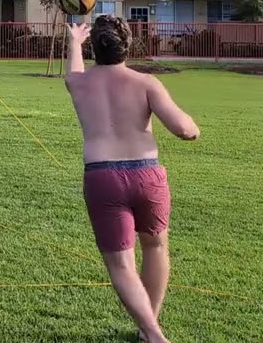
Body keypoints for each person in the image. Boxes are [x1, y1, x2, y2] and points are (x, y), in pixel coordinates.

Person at [64, 17, 200, 343]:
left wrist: (74, 42)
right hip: (147, 174)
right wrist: (194, 127)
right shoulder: (147, 83)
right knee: (155, 247)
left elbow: (75, 69)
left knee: (121, 263)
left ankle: (152, 332)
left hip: (102, 177)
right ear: (128, 45)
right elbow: (184, 130)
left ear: (96, 47)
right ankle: (149, 329)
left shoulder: (77, 84)